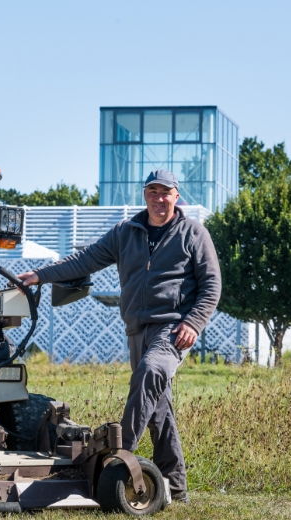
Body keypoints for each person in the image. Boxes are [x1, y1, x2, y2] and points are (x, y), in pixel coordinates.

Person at [16, 169, 221, 503]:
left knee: (151, 372)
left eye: (165, 192)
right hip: (136, 329)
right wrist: (41, 275)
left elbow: (212, 285)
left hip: (172, 328)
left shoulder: (193, 233)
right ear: (145, 195)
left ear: (176, 196)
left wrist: (194, 322)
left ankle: (120, 451)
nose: (159, 198)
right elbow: (85, 260)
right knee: (158, 409)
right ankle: (177, 487)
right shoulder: (125, 233)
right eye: (152, 191)